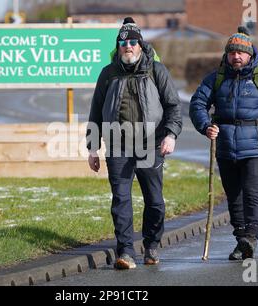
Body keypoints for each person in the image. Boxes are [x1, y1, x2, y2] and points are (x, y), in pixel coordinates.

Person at [189, 26, 258, 260]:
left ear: (250, 54)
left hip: (254, 147)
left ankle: (252, 237)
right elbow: (197, 104)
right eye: (232, 52)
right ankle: (241, 241)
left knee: (251, 193)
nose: (236, 56)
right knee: (233, 195)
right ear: (226, 55)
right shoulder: (216, 79)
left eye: (241, 53)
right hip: (225, 148)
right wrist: (206, 125)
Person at [86, 17, 182, 269]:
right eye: (122, 42)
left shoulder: (156, 71)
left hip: (151, 144)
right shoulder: (108, 74)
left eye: (132, 42)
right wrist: (92, 148)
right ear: (118, 46)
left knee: (155, 200)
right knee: (121, 199)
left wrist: (170, 135)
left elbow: (173, 107)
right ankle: (126, 251)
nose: (127, 46)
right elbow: (95, 112)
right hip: (118, 146)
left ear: (140, 45)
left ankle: (151, 244)